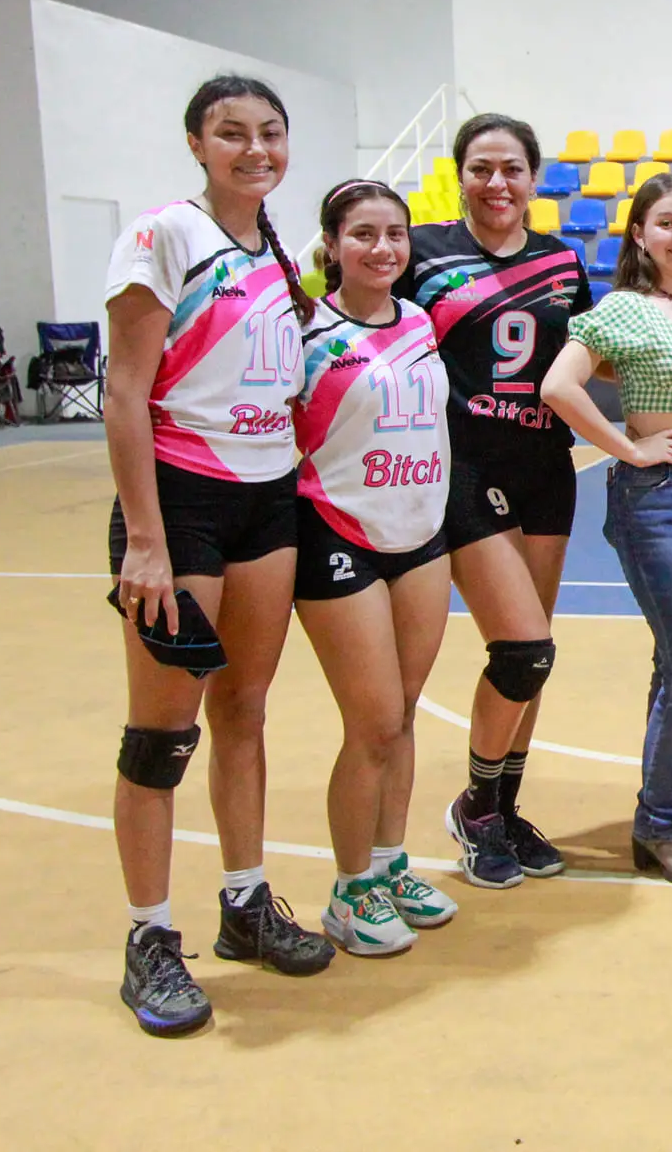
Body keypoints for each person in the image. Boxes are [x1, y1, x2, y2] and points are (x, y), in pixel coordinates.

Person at [104, 74, 333, 1037]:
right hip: (182, 505)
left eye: (270, 134)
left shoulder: (277, 256)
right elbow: (124, 393)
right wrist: (147, 541)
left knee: (244, 707)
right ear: (196, 143)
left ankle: (245, 902)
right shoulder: (164, 236)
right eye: (232, 133)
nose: (255, 149)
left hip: (265, 499)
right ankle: (150, 937)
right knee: (163, 734)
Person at [397, 113, 591, 887]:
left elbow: (585, 359)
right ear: (460, 175)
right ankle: (476, 805)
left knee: (533, 656)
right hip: (462, 469)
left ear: (534, 179)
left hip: (546, 465)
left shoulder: (563, 260)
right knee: (521, 648)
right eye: (481, 168)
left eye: (512, 168)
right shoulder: (421, 252)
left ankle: (502, 807)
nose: (497, 182)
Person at [541, 173, 672, 887]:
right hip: (656, 497)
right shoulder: (624, 308)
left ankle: (668, 817)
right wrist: (628, 448)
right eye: (666, 222)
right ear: (638, 234)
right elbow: (558, 386)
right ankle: (662, 819)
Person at [293, 180, 458, 955]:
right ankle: (349, 888)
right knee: (372, 722)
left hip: (420, 530)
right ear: (332, 243)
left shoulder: (421, 322)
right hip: (336, 529)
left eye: (395, 233)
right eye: (363, 233)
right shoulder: (305, 332)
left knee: (408, 707)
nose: (383, 248)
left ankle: (390, 864)